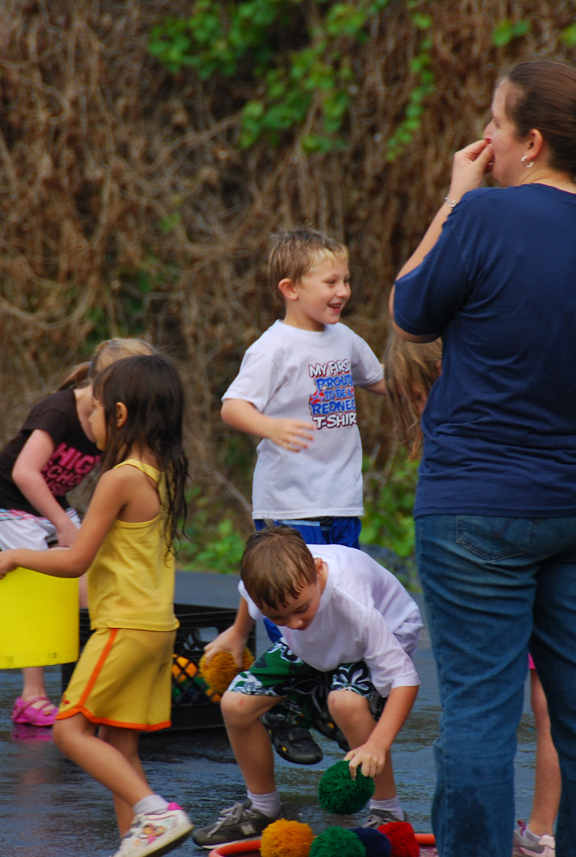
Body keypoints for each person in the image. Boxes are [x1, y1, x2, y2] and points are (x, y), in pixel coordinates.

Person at [389, 59, 576, 857]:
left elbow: (409, 308)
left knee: (478, 712)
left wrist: (454, 197)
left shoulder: (481, 219)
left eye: (495, 126)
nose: (486, 142)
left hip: (480, 508)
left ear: (531, 141)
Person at [0, 353, 193, 857]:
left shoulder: (119, 478)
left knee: (69, 732)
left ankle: (157, 813)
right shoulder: (160, 471)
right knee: (120, 747)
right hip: (156, 628)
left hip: (124, 627)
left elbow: (75, 560)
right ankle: (135, 842)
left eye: (94, 410)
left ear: (119, 416)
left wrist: (14, 557)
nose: (87, 419)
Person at [384, 335, 560, 857]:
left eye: (423, 394)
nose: (422, 408)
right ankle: (535, 832)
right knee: (533, 705)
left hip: (496, 562)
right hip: (540, 537)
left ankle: (523, 831)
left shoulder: (468, 426)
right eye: (415, 399)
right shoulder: (515, 390)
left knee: (484, 708)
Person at [220, 226, 387, 764]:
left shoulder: (344, 339)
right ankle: (289, 705)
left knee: (336, 606)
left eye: (346, 280)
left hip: (341, 501)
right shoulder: (274, 347)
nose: (342, 291)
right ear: (291, 288)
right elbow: (233, 406)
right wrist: (270, 427)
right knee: (292, 609)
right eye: (330, 281)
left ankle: (327, 699)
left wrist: (434, 379)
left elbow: (383, 381)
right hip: (290, 506)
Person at [191, 526, 423, 849]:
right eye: (279, 617)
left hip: (382, 635)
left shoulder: (352, 603)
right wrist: (238, 631)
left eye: (301, 609)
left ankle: (387, 811)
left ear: (317, 570)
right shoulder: (273, 586)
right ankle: (263, 808)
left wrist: (378, 745)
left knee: (344, 702)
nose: (295, 622)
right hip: (317, 644)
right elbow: (249, 594)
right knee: (235, 703)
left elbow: (404, 679)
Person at [0, 337, 155, 726]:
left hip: (51, 502)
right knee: (39, 587)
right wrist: (62, 524)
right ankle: (31, 696)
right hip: (10, 501)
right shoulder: (59, 411)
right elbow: (24, 472)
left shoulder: (112, 417)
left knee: (87, 586)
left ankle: (91, 684)